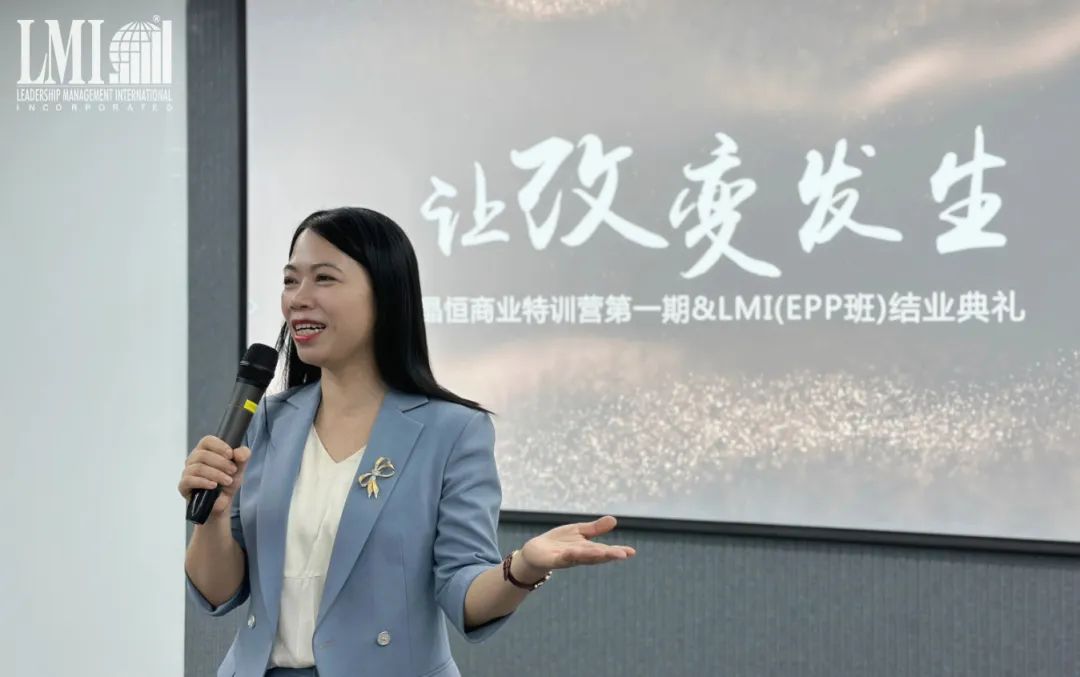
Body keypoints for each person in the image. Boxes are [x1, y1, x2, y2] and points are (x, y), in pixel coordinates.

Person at [180, 207, 636, 677]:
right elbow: (218, 592)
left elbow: (464, 592)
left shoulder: (453, 430)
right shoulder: (267, 420)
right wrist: (213, 519)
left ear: (385, 293)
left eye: (324, 279)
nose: (299, 298)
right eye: (290, 281)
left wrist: (523, 567)